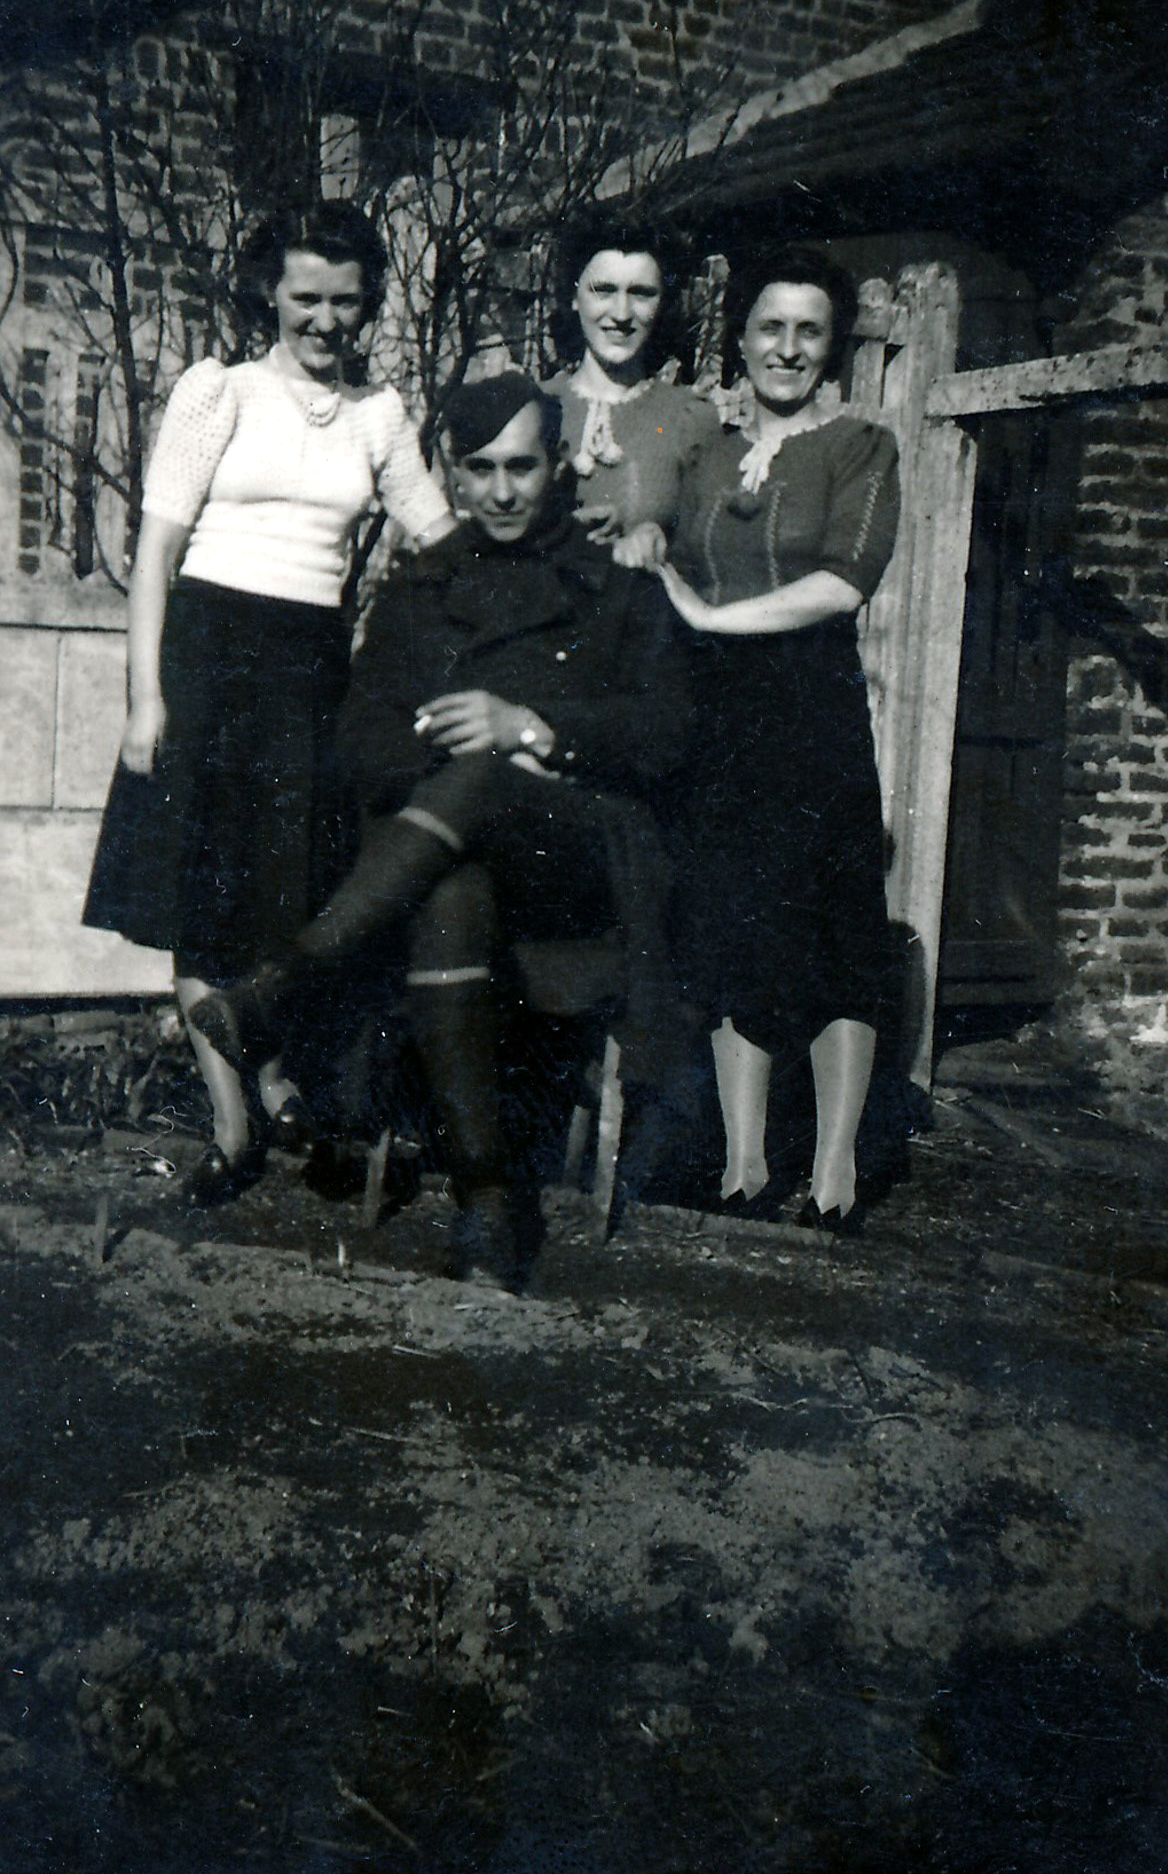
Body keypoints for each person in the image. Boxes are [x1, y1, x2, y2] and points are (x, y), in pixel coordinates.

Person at [187, 373, 692, 1280]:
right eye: (480, 470)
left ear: (559, 465)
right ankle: (486, 1207)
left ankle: (288, 985)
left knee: (487, 773)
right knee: (452, 891)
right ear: (451, 474)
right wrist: (445, 750)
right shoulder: (420, 593)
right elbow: (358, 741)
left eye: (521, 468)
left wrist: (531, 729)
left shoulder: (614, 584)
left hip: (578, 863)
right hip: (445, 863)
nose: (501, 492)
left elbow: (668, 733)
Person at [83, 200, 453, 1204]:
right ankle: (233, 1126)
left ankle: (280, 1083)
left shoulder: (379, 414)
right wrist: (145, 699)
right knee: (199, 904)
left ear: (368, 302)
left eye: (346, 301)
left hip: (308, 676)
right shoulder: (221, 392)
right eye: (306, 298)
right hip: (207, 661)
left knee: (288, 903)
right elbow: (156, 553)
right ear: (270, 295)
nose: (326, 320)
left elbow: (440, 541)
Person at [649, 246, 901, 1233]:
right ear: (741, 336)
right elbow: (656, 541)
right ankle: (743, 1163)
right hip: (715, 714)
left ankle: (834, 1172)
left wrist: (711, 619)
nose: (787, 348)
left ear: (831, 345)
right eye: (769, 327)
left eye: (808, 330)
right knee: (729, 919)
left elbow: (845, 580)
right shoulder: (706, 449)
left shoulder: (860, 445)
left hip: (810, 709)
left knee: (833, 929)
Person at [543, 215, 719, 550]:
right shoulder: (535, 405)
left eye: (641, 294)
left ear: (662, 303)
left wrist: (656, 541)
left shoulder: (690, 418)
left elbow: (705, 552)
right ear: (574, 296)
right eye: (604, 291)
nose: (622, 313)